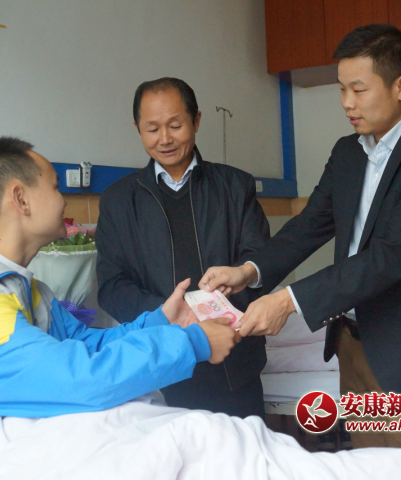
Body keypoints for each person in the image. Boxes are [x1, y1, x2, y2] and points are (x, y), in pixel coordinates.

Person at [199, 24, 401, 450]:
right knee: (365, 463)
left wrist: (289, 301)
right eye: (341, 89)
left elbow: (390, 257)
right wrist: (249, 271)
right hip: (350, 342)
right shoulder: (348, 151)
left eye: (358, 89)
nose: (347, 102)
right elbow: (309, 225)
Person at [0, 137, 240, 424]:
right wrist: (193, 343)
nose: (64, 201)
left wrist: (162, 321)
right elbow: (79, 379)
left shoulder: (29, 290)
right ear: (20, 199)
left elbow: (85, 345)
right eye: (55, 187)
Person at [96, 78, 270, 418]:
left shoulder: (235, 186)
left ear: (196, 120)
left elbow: (261, 263)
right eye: (152, 129)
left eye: (175, 126)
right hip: (158, 361)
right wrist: (171, 319)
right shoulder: (118, 200)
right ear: (138, 129)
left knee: (241, 450)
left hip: (234, 359)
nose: (165, 139)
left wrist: (219, 317)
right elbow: (112, 286)